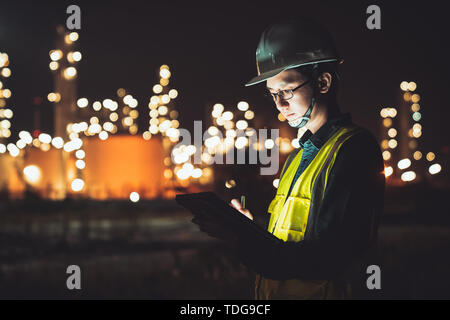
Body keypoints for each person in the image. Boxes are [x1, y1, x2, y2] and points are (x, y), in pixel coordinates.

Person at [192, 17, 385, 300]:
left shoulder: (354, 151)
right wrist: (249, 228)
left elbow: (329, 257)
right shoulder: (297, 157)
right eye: (273, 94)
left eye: (287, 90)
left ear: (323, 81)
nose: (280, 105)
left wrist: (244, 241)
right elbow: (290, 241)